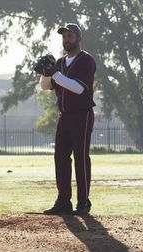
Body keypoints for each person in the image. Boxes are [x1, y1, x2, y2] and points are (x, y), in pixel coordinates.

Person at [34, 23, 97, 215]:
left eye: (70, 36)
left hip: (82, 114)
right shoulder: (60, 63)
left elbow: (78, 88)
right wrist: (46, 74)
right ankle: (63, 201)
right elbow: (45, 87)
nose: (66, 39)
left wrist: (54, 73)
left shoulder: (86, 60)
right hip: (65, 116)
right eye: (64, 36)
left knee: (80, 157)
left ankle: (83, 202)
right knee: (60, 157)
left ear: (78, 39)